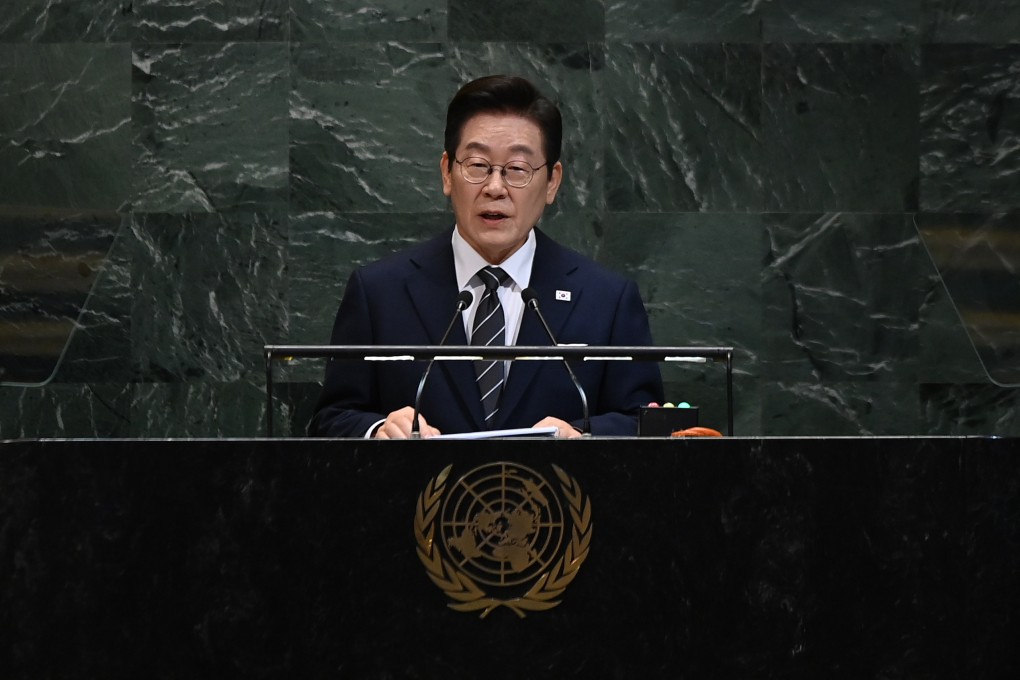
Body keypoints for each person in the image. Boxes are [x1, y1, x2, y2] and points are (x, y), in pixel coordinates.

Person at [309, 75, 663, 438]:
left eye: (517, 170)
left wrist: (583, 436)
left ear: (552, 182)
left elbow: (645, 422)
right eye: (477, 166)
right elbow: (331, 419)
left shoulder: (606, 299)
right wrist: (378, 429)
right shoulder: (379, 292)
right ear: (447, 172)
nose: (495, 188)